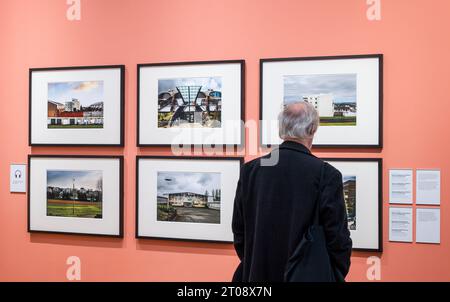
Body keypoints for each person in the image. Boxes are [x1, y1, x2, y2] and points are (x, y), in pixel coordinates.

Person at [232, 101, 352, 282]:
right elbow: (338, 239)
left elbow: (239, 233)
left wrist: (254, 263)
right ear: (312, 129)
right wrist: (332, 273)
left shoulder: (251, 170)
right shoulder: (326, 175)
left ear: (281, 130)